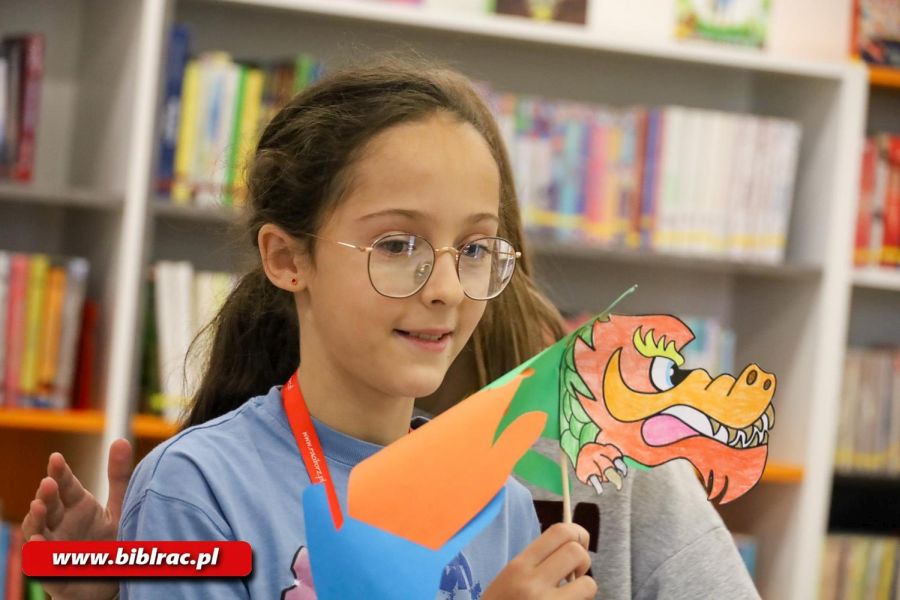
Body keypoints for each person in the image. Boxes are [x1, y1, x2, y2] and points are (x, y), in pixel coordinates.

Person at [24, 56, 759, 600]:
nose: (445, 289)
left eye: (475, 249)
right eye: (398, 245)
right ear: (287, 258)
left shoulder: (499, 496)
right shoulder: (198, 489)